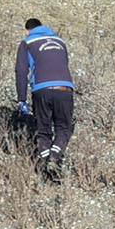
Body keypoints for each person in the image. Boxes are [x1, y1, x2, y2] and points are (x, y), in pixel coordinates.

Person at [15, 16, 76, 178]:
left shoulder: (27, 42)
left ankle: (46, 167)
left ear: (27, 30)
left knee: (43, 131)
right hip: (65, 88)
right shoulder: (60, 41)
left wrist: (22, 100)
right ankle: (55, 158)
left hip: (41, 89)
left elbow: (21, 71)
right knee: (64, 128)